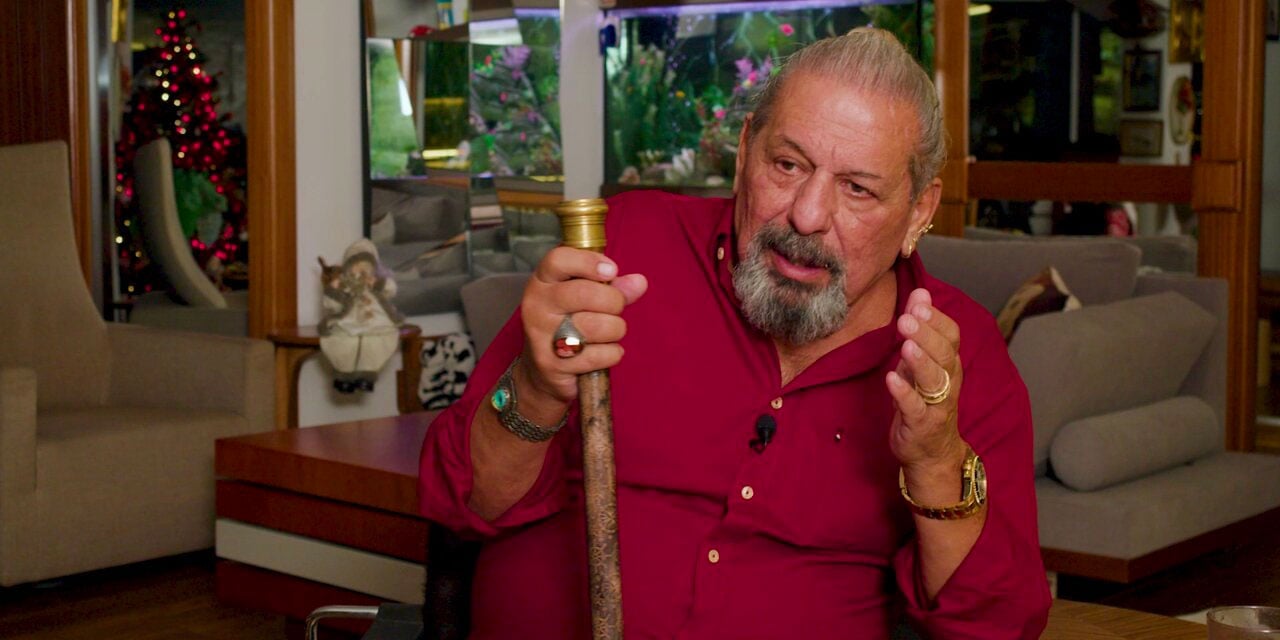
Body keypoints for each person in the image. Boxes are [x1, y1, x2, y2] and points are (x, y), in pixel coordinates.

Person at [419, 28, 1051, 639]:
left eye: (858, 189)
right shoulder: (624, 250)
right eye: (787, 164)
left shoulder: (955, 354)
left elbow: (998, 627)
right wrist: (534, 388)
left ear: (919, 210)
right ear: (746, 149)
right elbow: (461, 501)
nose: (807, 215)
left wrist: (937, 463)